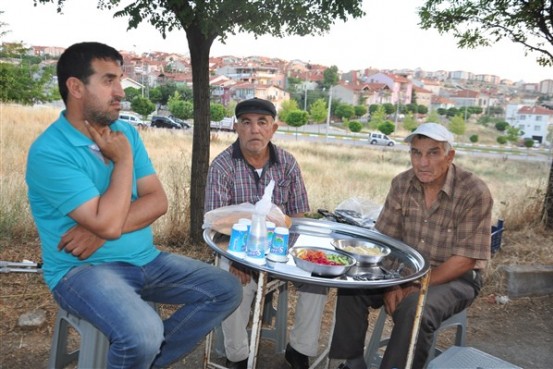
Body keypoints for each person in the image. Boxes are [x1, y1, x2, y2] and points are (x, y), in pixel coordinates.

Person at [25, 41, 242, 369]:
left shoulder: (125, 131)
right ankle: (140, 353)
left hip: (147, 260)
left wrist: (100, 230)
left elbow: (158, 202)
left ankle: (143, 362)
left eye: (120, 80)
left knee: (225, 288)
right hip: (81, 272)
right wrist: (123, 161)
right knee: (142, 335)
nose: (121, 92)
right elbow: (112, 221)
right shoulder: (50, 152)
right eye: (108, 80)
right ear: (75, 87)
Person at [329, 123, 493, 369]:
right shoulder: (402, 184)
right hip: (404, 271)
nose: (422, 162)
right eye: (416, 152)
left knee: (416, 308)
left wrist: (415, 284)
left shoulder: (473, 192)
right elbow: (384, 242)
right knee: (354, 284)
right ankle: (351, 362)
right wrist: (392, 283)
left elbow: (465, 259)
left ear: (450, 156)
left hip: (455, 276)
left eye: (433, 152)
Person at [205, 97, 328, 369]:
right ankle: (237, 356)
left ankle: (299, 349)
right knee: (234, 282)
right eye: (246, 123)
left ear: (274, 128)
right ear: (236, 127)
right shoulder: (223, 166)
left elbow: (296, 216)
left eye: (262, 122)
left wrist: (292, 255)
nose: (254, 130)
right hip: (236, 250)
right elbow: (216, 224)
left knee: (317, 277)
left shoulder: (287, 163)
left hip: (281, 248)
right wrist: (239, 259)